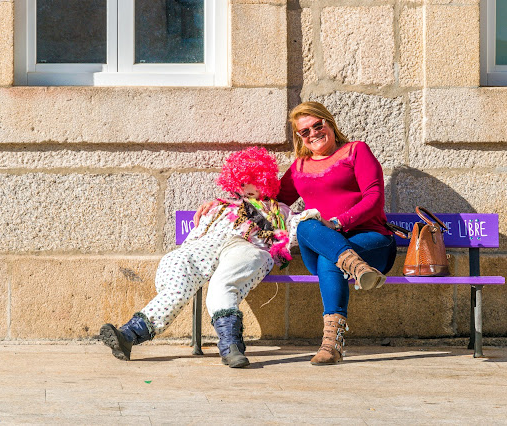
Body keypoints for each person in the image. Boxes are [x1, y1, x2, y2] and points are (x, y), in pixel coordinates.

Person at [194, 102, 397, 366]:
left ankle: (331, 345)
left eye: (317, 125)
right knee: (305, 223)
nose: (313, 133)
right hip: (339, 250)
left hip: (372, 241)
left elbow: (375, 198)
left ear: (329, 123)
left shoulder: (355, 151)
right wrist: (223, 204)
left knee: (329, 257)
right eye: (305, 131)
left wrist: (338, 223)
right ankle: (354, 267)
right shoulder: (300, 167)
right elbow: (266, 201)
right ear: (299, 137)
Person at [100, 147, 318, 368]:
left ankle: (231, 346)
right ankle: (129, 335)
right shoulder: (219, 207)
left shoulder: (278, 210)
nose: (244, 186)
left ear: (264, 180)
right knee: (178, 277)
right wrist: (184, 255)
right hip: (208, 246)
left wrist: (325, 221)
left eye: (251, 180)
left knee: (223, 283)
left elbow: (300, 226)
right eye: (240, 181)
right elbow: (197, 236)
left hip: (247, 247)